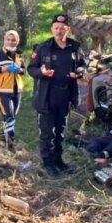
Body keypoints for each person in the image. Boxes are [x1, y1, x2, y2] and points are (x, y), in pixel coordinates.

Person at [28, 14, 86, 176]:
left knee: (60, 131)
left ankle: (58, 161)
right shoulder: (43, 47)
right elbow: (31, 69)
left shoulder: (74, 47)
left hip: (66, 95)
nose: (59, 31)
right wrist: (41, 71)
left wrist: (79, 72)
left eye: (62, 28)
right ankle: (48, 164)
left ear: (68, 29)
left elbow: (83, 65)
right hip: (47, 96)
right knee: (48, 132)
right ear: (52, 29)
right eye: (56, 28)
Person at [0, 30, 26, 151]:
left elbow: (24, 71)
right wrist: (6, 68)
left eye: (13, 40)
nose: (10, 42)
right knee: (9, 116)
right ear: (4, 40)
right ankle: (11, 144)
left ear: (17, 41)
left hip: (16, 90)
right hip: (2, 91)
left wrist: (19, 70)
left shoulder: (19, 55)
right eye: (8, 39)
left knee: (12, 116)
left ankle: (2, 138)